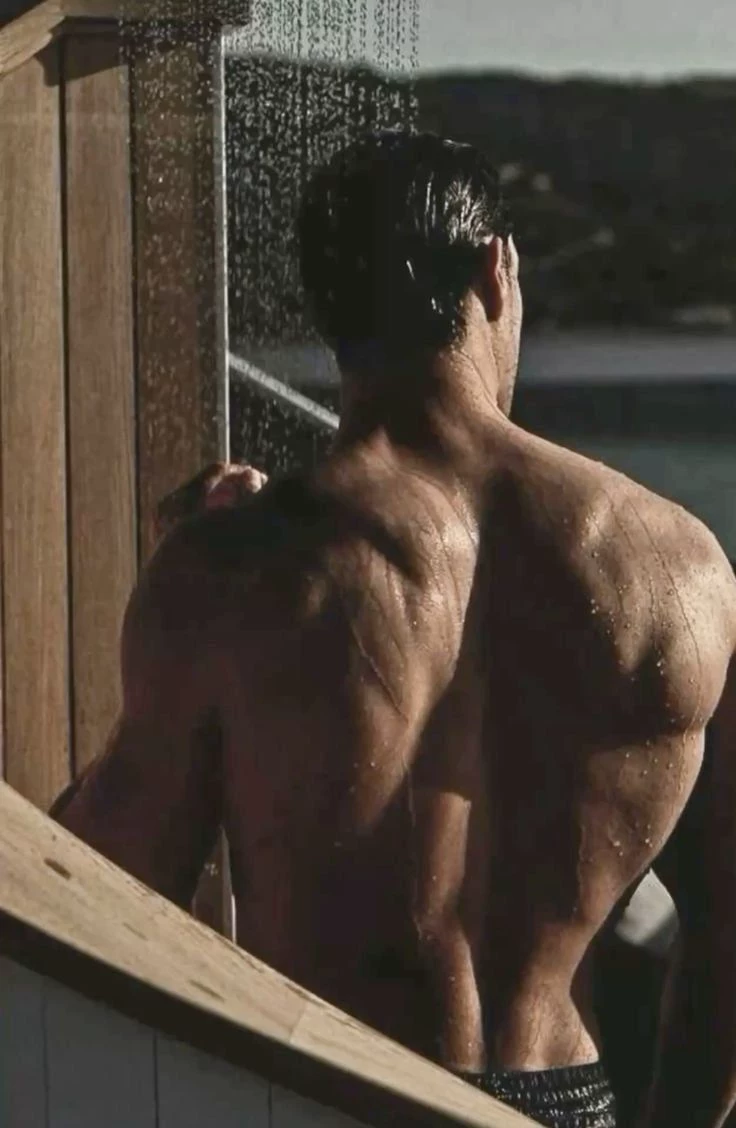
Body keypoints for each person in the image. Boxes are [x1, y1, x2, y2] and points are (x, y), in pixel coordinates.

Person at [51, 131, 736, 1128]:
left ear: (330, 308)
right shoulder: (683, 567)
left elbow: (105, 891)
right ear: (496, 271)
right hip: (563, 1101)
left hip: (332, 1093)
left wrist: (184, 561)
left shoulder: (233, 569)